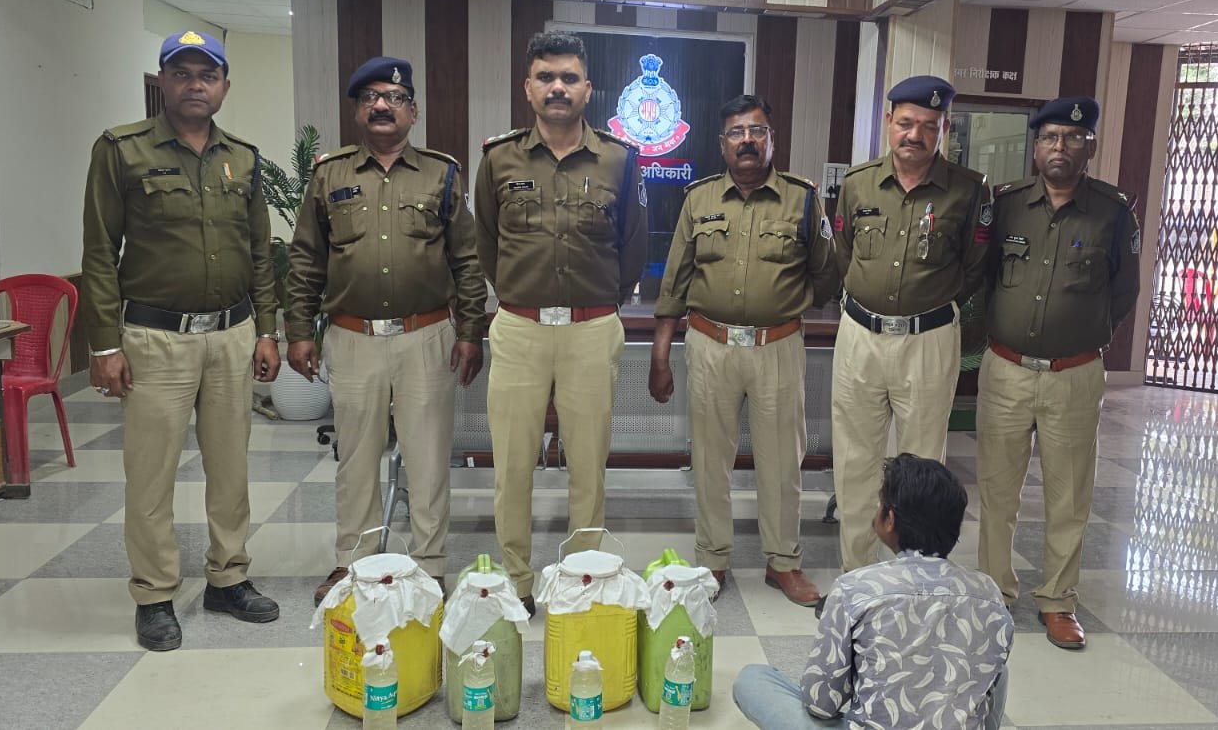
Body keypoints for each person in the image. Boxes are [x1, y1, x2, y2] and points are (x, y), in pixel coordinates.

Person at [80, 30, 281, 651]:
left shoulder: (242, 158)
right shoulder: (122, 150)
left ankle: (228, 577)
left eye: (207, 75)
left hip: (231, 335)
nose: (196, 85)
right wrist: (104, 345)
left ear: (224, 85)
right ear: (164, 81)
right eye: (182, 73)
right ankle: (154, 594)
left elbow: (259, 251)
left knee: (231, 468)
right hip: (154, 339)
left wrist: (267, 329)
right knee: (150, 474)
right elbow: (99, 251)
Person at [287, 56, 488, 606]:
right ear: (357, 110)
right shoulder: (329, 174)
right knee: (355, 460)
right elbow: (306, 259)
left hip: (427, 337)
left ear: (412, 112)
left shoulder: (442, 174)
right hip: (351, 338)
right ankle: (352, 563)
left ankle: (430, 565)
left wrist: (470, 330)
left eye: (395, 98)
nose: (382, 106)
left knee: (428, 459)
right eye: (371, 97)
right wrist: (299, 330)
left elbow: (467, 260)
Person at [474, 32, 648, 615]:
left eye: (569, 78)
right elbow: (486, 245)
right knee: (512, 464)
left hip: (591, 329)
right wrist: (521, 294)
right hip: (519, 327)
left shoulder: (619, 159)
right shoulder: (498, 158)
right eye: (546, 77)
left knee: (588, 466)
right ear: (528, 88)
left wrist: (597, 303)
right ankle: (516, 579)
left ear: (587, 89)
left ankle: (582, 578)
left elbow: (632, 246)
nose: (557, 88)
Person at [648, 94, 839, 606]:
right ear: (722, 144)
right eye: (737, 132)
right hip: (710, 345)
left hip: (777, 346)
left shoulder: (802, 199)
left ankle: (784, 563)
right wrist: (661, 354)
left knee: (782, 462)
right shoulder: (699, 199)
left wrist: (786, 304)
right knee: (711, 461)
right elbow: (675, 280)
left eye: (757, 131)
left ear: (772, 140)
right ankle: (712, 558)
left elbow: (826, 272)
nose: (747, 140)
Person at [975, 96, 1139, 651]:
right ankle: (994, 592)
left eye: (1072, 138)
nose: (1059, 147)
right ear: (1035, 147)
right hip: (1006, 369)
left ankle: (1058, 601)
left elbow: (1124, 291)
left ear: (1090, 145)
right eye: (1048, 138)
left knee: (1069, 496)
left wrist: (1080, 333)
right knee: (998, 490)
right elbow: (984, 277)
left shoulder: (1113, 212)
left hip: (1074, 374)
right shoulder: (1006, 205)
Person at [830, 75, 992, 572]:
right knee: (855, 462)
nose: (914, 135)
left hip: (928, 339)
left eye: (928, 125)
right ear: (888, 121)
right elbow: (843, 255)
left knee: (922, 465)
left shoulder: (968, 190)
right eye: (905, 123)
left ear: (944, 129)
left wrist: (929, 305)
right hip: (860, 336)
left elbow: (975, 268)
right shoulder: (858, 183)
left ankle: (913, 580)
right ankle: (857, 577)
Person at [733, 454, 1013, 730]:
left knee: (753, 679)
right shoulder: (988, 591)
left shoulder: (854, 588)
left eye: (880, 502)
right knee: (994, 667)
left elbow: (820, 704)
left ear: (889, 519)